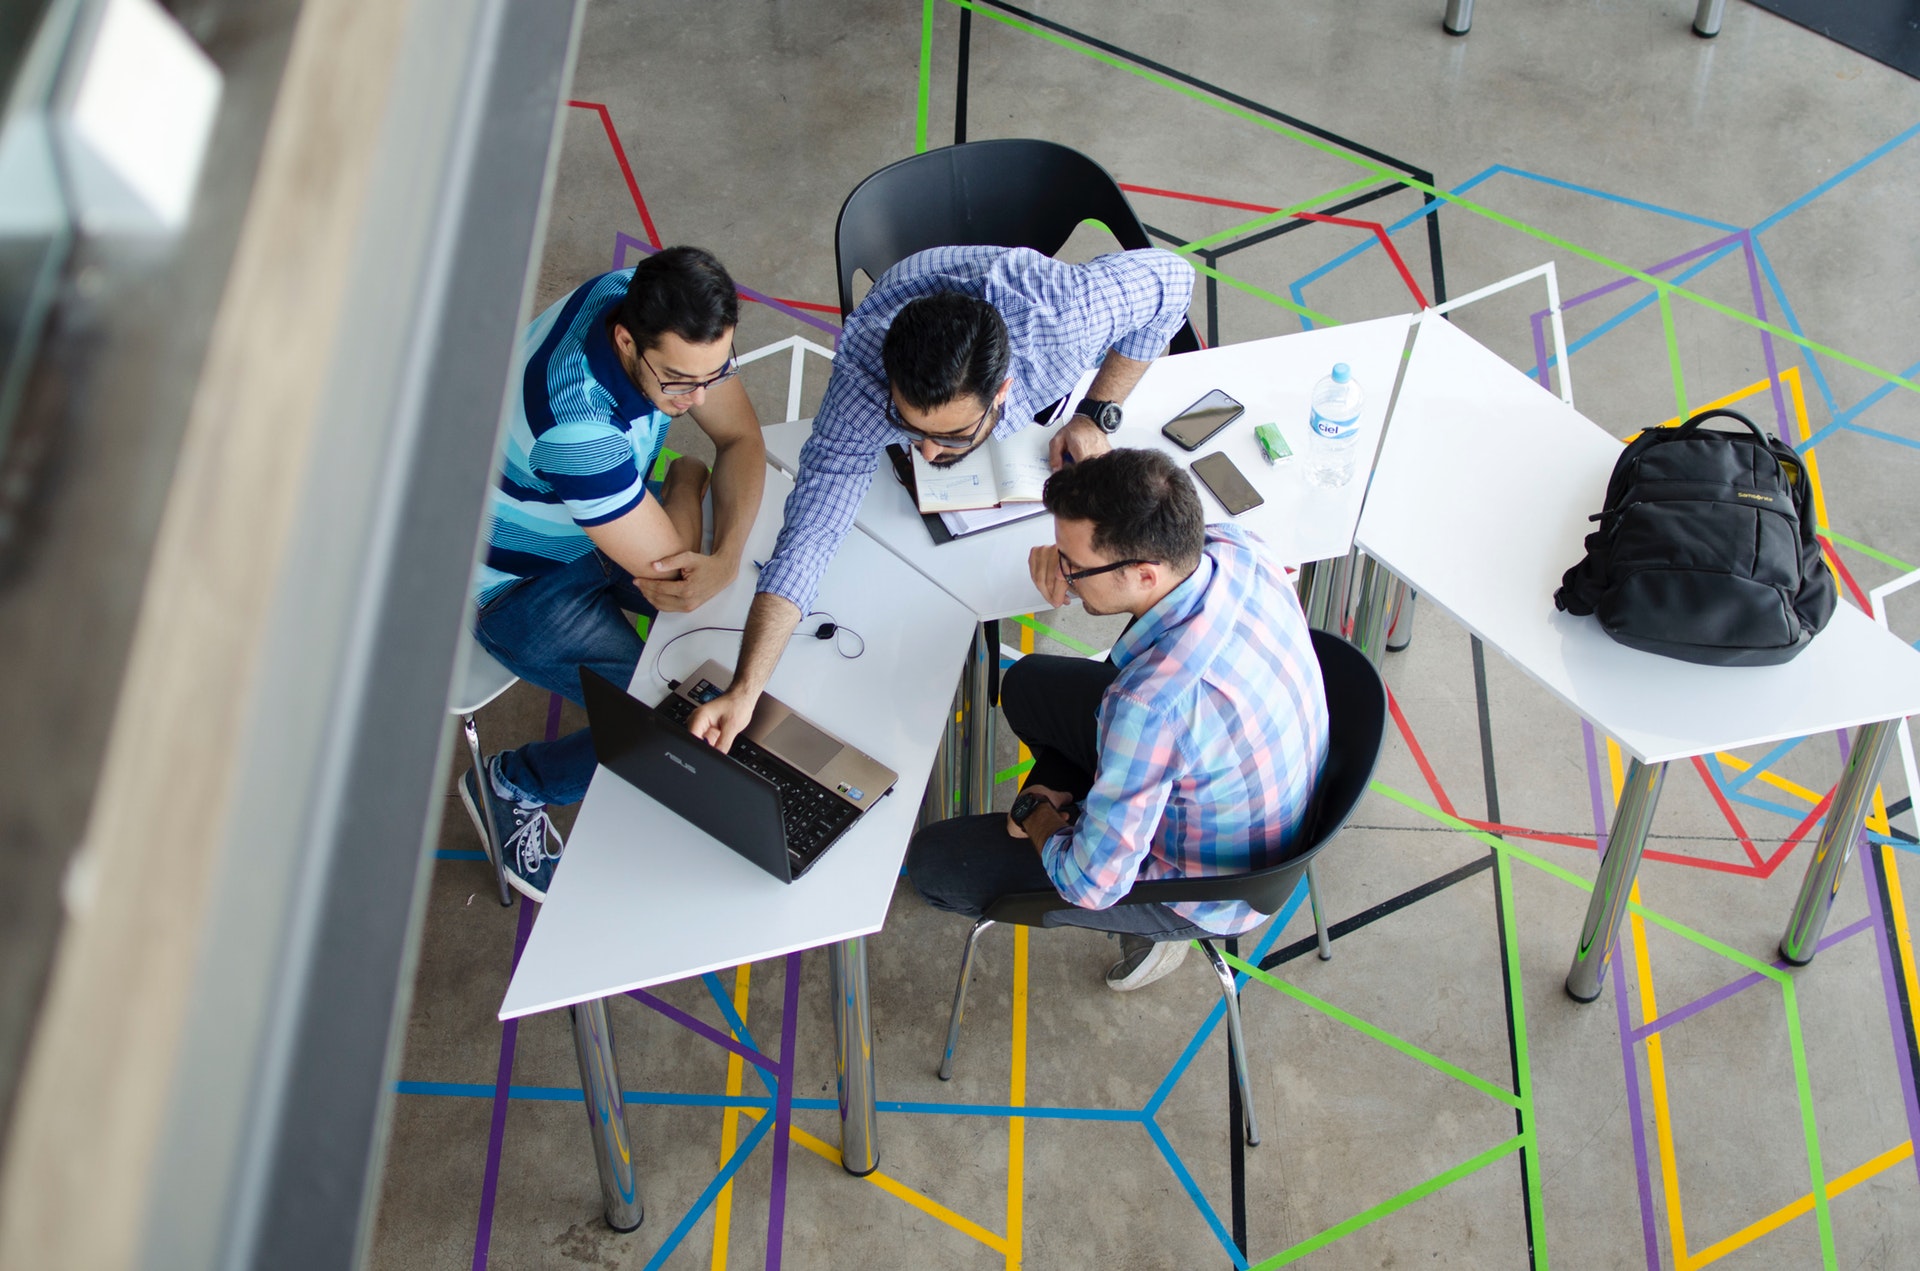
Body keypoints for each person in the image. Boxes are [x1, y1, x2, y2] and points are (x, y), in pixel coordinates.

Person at [684, 244, 1195, 753]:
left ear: (1002, 392)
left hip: (1027, 304)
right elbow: (810, 533)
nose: (927, 453)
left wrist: (1096, 410)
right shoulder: (864, 375)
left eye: (951, 437)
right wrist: (746, 688)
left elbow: (1175, 280)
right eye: (908, 427)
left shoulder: (1064, 319)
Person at [906, 449, 1330, 990]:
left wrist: (1037, 810)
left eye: (1073, 567)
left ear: (1144, 573)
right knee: (1027, 685)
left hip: (1207, 887)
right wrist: (1066, 557)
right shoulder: (1236, 548)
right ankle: (1098, 809)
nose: (1064, 574)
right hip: (1261, 792)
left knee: (935, 863)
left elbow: (1089, 884)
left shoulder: (1148, 706)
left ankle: (1152, 932)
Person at [460, 246, 766, 900]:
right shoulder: (577, 428)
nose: (700, 397)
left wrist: (728, 554)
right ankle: (515, 783)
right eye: (681, 382)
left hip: (594, 519)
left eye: (717, 373)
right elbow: (680, 576)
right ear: (626, 341)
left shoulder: (647, 301)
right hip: (516, 584)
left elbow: (741, 439)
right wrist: (686, 480)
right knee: (660, 722)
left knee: (726, 619)